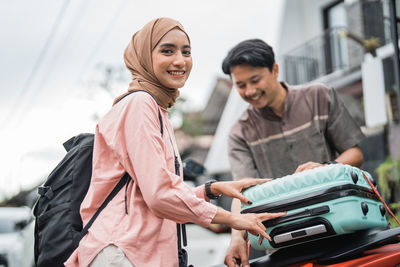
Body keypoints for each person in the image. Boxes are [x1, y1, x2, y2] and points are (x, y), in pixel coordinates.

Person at [65, 19, 285, 267]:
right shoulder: (139, 104)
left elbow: (151, 196)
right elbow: (160, 196)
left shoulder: (157, 109)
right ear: (145, 57)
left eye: (186, 51)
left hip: (135, 252)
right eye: (167, 51)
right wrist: (232, 219)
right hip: (123, 251)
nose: (180, 60)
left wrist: (211, 190)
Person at [221, 39, 365, 267]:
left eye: (255, 80)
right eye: (240, 85)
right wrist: (237, 238)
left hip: (341, 222)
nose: (250, 91)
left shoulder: (320, 96)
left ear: (275, 69)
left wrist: (327, 167)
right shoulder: (240, 133)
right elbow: (242, 191)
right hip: (285, 238)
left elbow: (355, 153)